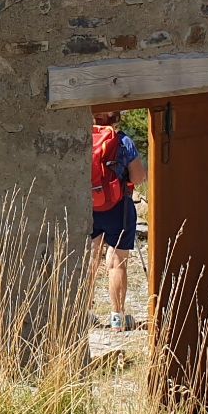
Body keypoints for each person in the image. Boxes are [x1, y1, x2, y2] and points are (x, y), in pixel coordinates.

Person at [88, 107, 145, 332]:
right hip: (118, 207)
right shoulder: (123, 141)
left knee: (90, 258)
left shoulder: (83, 137)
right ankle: (117, 318)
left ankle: (84, 314)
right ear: (115, 117)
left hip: (90, 206)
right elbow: (138, 177)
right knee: (116, 261)